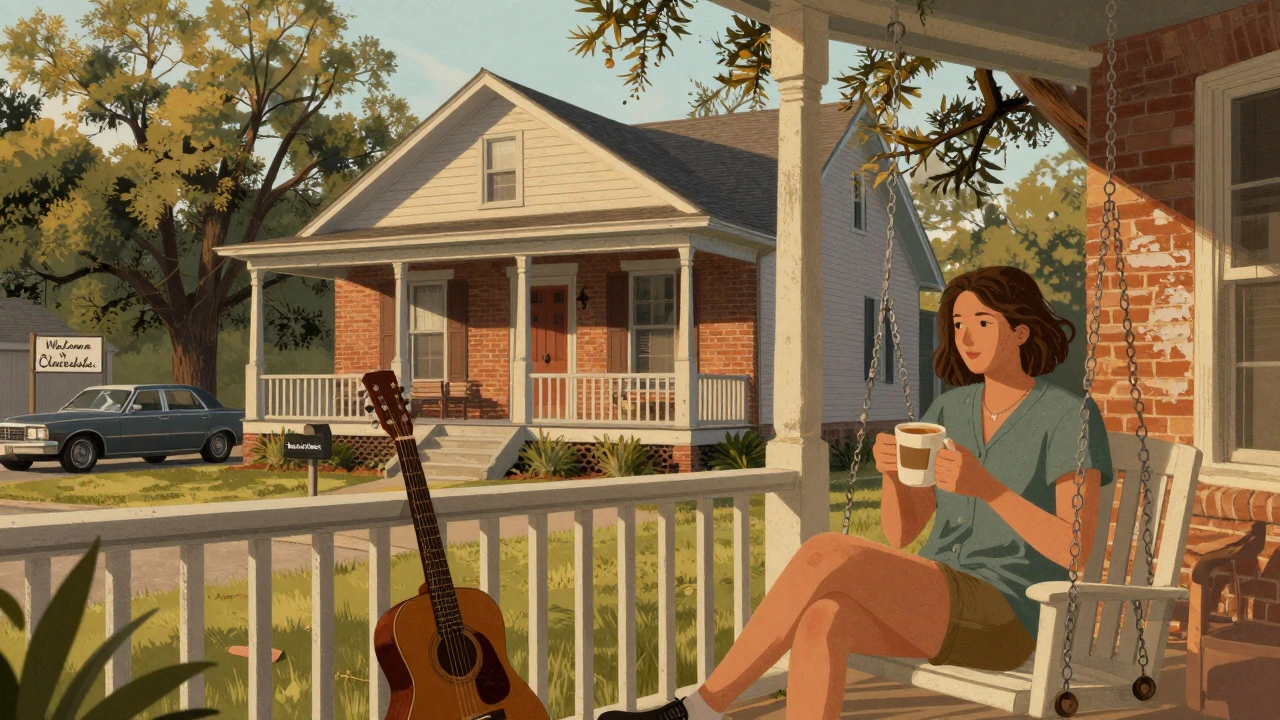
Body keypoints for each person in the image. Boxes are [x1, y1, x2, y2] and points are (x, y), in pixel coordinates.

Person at [600, 265, 1113, 720]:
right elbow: (903, 531)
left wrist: (990, 491)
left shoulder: (1068, 417)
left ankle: (700, 709)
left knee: (827, 550)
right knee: (825, 620)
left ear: (1021, 330)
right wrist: (892, 476)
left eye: (983, 322)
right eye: (957, 324)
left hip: (1009, 616)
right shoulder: (950, 411)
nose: (966, 337)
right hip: (939, 597)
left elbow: (1076, 549)